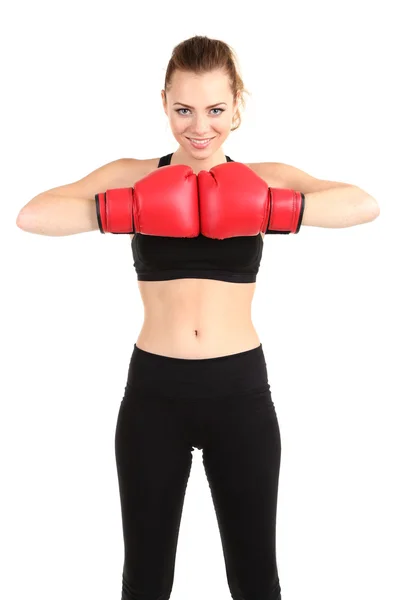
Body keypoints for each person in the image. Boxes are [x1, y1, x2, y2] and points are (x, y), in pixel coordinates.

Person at [16, 35, 379, 600]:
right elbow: (32, 215)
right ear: (164, 103)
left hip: (240, 394)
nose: (199, 127)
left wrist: (267, 207)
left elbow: (364, 204)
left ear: (237, 105)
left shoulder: (265, 177)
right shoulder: (133, 174)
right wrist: (132, 208)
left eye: (214, 109)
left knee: (256, 578)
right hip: (154, 395)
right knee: (146, 580)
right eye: (183, 109)